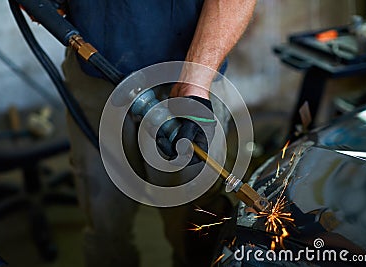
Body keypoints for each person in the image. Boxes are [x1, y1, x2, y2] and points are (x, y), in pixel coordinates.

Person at [61, 0, 256, 266]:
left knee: (195, 232)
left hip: (187, 77)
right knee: (105, 226)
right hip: (94, 73)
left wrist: (195, 84)